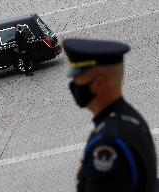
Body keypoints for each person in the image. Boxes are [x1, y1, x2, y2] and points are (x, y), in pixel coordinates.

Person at [61, 38, 157, 192]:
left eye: (77, 77)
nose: (73, 84)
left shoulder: (108, 142)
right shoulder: (128, 118)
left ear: (98, 84)